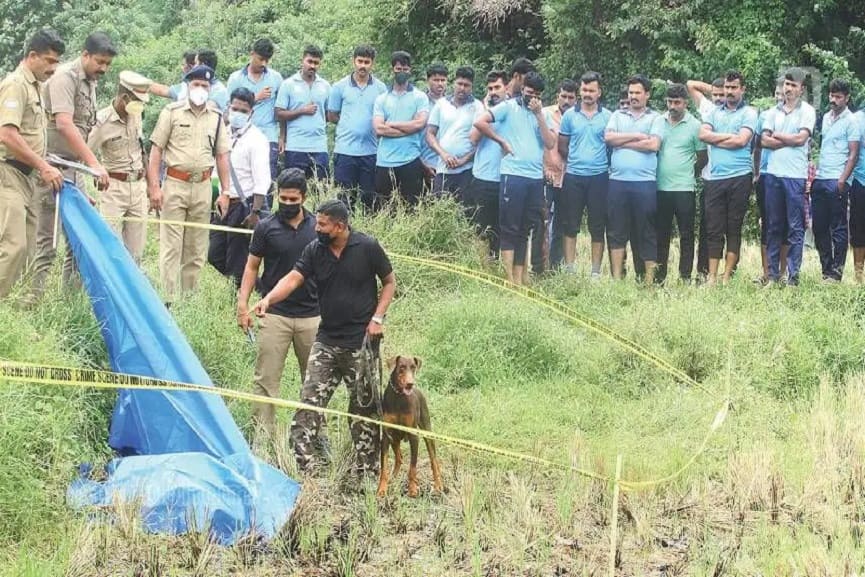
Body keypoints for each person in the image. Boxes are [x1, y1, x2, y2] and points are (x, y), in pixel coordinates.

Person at [253, 199, 396, 478]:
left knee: (364, 411)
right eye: (317, 222)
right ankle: (307, 472)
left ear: (340, 226)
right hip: (327, 341)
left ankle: (366, 474)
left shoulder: (367, 247)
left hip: (361, 344)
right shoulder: (315, 249)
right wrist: (268, 299)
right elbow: (293, 278)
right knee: (308, 406)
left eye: (322, 224)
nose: (316, 228)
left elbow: (389, 281)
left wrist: (377, 318)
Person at [29, 32, 115, 300]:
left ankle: (68, 306)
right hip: (51, 168)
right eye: (99, 62)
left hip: (73, 170)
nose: (103, 69)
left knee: (79, 243)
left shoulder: (91, 82)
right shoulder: (64, 77)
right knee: (46, 245)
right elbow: (65, 124)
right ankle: (32, 305)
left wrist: (83, 174)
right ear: (85, 55)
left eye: (107, 65)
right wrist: (94, 163)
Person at [237, 168, 320, 438]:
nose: (286, 204)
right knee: (265, 381)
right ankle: (263, 440)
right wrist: (243, 304)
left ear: (304, 198)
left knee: (315, 382)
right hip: (274, 315)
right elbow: (251, 267)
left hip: (312, 316)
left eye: (292, 200)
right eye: (282, 199)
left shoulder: (319, 227)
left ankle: (315, 437)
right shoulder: (265, 227)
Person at [147, 64, 231, 304]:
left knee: (196, 248)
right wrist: (154, 187)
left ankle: (189, 300)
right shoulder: (171, 112)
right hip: (174, 184)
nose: (201, 89)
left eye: (205, 85)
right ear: (187, 86)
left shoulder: (216, 119)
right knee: (171, 246)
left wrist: (225, 192)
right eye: (196, 84)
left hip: (203, 187)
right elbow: (156, 151)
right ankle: (167, 299)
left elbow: (222, 156)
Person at [474, 71, 556, 285]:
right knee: (509, 227)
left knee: (525, 228)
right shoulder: (508, 108)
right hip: (512, 174)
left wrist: (538, 114)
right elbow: (480, 122)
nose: (532, 98)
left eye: (537, 95)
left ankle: (519, 279)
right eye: (529, 93)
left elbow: (549, 143)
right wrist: (501, 141)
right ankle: (509, 278)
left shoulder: (543, 114)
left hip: (534, 177)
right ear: (522, 89)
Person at [0, 29, 65, 299]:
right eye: (49, 61)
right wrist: (43, 166)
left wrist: (46, 163)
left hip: (27, 179)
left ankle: (11, 315)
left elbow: (30, 138)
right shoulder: (15, 84)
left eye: (57, 62)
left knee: (26, 250)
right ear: (32, 56)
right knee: (12, 245)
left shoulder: (36, 87)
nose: (54, 67)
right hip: (7, 173)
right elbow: (7, 134)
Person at [697, 70, 757, 285]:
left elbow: (742, 141)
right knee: (714, 228)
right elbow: (703, 135)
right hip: (715, 178)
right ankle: (712, 277)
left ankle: (727, 276)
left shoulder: (750, 112)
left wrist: (717, 138)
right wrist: (729, 136)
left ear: (742, 89)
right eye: (727, 88)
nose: (729, 92)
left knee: (733, 227)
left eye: (734, 88)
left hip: (740, 177)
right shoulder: (713, 112)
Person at [87, 70, 153, 264]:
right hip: (114, 188)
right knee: (110, 247)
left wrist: (151, 185)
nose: (140, 106)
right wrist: (97, 169)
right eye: (137, 100)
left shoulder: (136, 116)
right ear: (124, 98)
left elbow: (142, 150)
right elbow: (85, 152)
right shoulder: (101, 122)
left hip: (138, 186)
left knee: (136, 252)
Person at [207, 87, 270, 287]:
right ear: (229, 107)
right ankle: (253, 286)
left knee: (237, 260)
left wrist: (255, 212)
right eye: (235, 109)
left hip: (244, 206)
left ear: (251, 112)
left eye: (243, 111)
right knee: (214, 255)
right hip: (221, 203)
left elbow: (262, 180)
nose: (238, 114)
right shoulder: (221, 134)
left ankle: (243, 297)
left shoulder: (257, 140)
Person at [604, 74, 664, 283]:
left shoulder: (656, 118)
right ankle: (617, 279)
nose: (633, 96)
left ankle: (648, 282)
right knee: (616, 230)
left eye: (638, 92)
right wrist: (638, 136)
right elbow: (609, 138)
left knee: (646, 231)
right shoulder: (617, 115)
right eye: (631, 92)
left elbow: (653, 145)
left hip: (644, 183)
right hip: (618, 182)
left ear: (647, 94)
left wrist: (624, 141)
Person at [760, 67, 816, 286]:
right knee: (773, 225)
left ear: (801, 89)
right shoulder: (772, 112)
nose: (788, 89)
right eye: (786, 85)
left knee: (795, 227)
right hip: (773, 175)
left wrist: (779, 136)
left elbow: (801, 139)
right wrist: (788, 139)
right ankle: (773, 276)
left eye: (793, 85)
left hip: (795, 177)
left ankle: (793, 278)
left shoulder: (808, 111)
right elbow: (764, 141)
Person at [557, 73, 611, 277]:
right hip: (574, 177)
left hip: (599, 177)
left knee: (598, 226)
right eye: (584, 90)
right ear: (580, 91)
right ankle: (570, 269)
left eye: (592, 90)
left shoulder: (608, 116)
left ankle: (595, 272)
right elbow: (563, 146)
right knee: (570, 224)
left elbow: (611, 148)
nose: (587, 94)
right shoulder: (570, 115)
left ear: (599, 92)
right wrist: (578, 160)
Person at [655, 83, 707, 283]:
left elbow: (702, 157)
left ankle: (685, 276)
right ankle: (659, 277)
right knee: (662, 234)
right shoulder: (658, 122)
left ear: (686, 103)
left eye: (677, 102)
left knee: (686, 235)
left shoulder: (694, 125)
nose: (672, 106)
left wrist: (690, 173)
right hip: (661, 187)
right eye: (669, 102)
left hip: (685, 188)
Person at [327, 45, 387, 209]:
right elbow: (332, 115)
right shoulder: (339, 87)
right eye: (360, 61)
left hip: (371, 152)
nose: (363, 65)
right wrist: (351, 124)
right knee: (344, 200)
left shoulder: (381, 88)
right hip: (345, 151)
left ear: (372, 64)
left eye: (367, 62)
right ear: (354, 61)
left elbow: (384, 117)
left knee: (371, 200)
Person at [811, 78, 859, 282]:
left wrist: (842, 180)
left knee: (838, 227)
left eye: (838, 97)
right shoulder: (826, 118)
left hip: (837, 179)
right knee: (818, 226)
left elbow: (853, 153)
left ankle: (836, 272)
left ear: (847, 98)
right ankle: (826, 269)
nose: (834, 100)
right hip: (821, 177)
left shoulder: (852, 121)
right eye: (831, 95)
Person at [372, 51, 429, 207]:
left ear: (410, 70)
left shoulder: (419, 97)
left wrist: (391, 124)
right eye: (398, 69)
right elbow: (378, 129)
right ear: (393, 70)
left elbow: (420, 124)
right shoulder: (382, 98)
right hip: (385, 162)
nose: (401, 72)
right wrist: (407, 127)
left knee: (412, 208)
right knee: (384, 209)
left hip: (410, 160)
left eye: (405, 69)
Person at [227, 38, 283, 186]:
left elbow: (281, 109)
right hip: (242, 135)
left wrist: (282, 137)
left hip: (268, 135)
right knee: (242, 176)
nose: (263, 64)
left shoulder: (276, 78)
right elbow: (229, 108)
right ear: (252, 54)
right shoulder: (236, 78)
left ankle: (264, 209)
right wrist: (255, 97)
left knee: (267, 179)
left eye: (267, 60)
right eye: (260, 59)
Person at [466, 70, 508, 258]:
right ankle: (484, 265)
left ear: (506, 88)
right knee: (482, 226)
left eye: (497, 87)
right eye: (490, 88)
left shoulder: (511, 110)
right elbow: (474, 138)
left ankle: (500, 263)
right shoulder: (481, 112)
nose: (493, 92)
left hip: (506, 176)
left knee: (504, 226)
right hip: (483, 177)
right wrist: (485, 110)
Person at [426, 66, 483, 198]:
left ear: (472, 87)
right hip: (443, 169)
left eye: (466, 85)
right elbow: (430, 134)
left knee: (465, 213)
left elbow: (481, 141)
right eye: (459, 84)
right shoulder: (441, 104)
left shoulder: (477, 107)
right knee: (440, 212)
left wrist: (464, 160)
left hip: (467, 170)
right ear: (453, 83)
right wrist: (443, 154)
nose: (462, 88)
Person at [687, 77, 725, 278]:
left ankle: (726, 274)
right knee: (707, 228)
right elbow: (690, 84)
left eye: (723, 94)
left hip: (730, 177)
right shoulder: (708, 108)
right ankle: (702, 273)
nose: (719, 98)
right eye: (716, 95)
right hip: (709, 177)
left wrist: (723, 91)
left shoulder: (736, 112)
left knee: (729, 229)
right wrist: (715, 90)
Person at [276, 45, 331, 181]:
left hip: (319, 146)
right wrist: (301, 111)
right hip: (296, 146)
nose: (312, 66)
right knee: (294, 188)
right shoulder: (288, 84)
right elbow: (279, 113)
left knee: (320, 190)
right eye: (310, 61)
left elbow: (328, 115)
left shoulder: (325, 86)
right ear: (302, 60)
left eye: (316, 63)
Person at [542, 80, 577, 271]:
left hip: (570, 178)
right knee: (542, 223)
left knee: (562, 225)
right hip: (547, 175)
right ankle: (539, 266)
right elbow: (539, 143)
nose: (566, 100)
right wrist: (542, 169)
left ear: (576, 99)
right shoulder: (546, 114)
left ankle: (555, 267)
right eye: (563, 96)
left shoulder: (578, 117)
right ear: (558, 96)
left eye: (571, 97)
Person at [754, 81, 787, 283]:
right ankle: (766, 273)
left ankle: (782, 273)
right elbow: (757, 146)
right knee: (767, 224)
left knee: (785, 225)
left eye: (783, 93)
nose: (780, 96)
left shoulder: (798, 116)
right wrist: (756, 173)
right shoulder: (765, 116)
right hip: (766, 175)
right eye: (777, 92)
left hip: (787, 175)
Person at [419, 63, 448, 183]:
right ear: (428, 80)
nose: (440, 83)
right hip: (424, 163)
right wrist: (421, 164)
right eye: (436, 80)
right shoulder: (420, 103)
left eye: (443, 80)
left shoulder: (451, 104)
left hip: (446, 165)